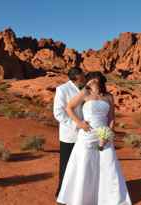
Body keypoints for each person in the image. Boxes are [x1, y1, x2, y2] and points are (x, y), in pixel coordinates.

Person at [57, 71, 132, 205]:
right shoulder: (84, 94)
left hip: (104, 134)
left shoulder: (108, 96)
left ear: (100, 82)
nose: (93, 83)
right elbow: (69, 108)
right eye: (90, 80)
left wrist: (108, 132)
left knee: (107, 165)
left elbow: (111, 117)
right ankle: (81, 198)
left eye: (95, 81)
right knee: (85, 164)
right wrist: (79, 123)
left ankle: (109, 199)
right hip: (87, 134)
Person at [53, 67, 87, 198]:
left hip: (85, 134)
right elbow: (59, 113)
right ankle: (61, 191)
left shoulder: (85, 89)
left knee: (81, 164)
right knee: (66, 165)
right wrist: (77, 124)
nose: (84, 79)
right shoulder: (62, 89)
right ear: (76, 78)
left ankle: (78, 192)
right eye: (82, 77)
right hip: (69, 135)